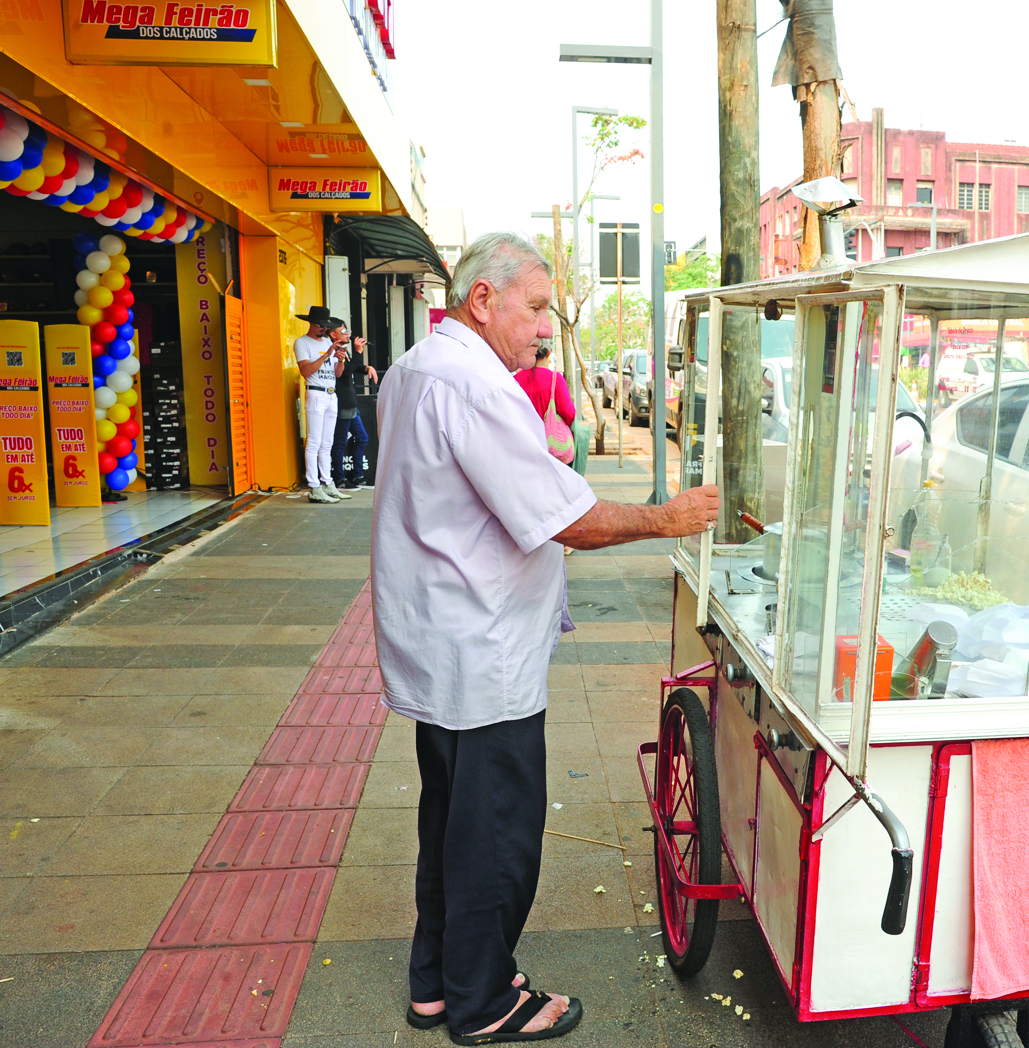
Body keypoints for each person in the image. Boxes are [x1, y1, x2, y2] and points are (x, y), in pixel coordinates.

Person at [371, 231, 718, 1046]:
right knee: (494, 837)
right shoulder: (473, 386)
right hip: (480, 654)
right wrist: (666, 519)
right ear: (482, 299)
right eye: (533, 309)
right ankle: (485, 1001)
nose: (540, 328)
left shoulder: (417, 369)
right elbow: (562, 517)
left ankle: (437, 983)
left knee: (451, 825)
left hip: (441, 641)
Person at [294, 304, 345, 504]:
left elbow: (338, 374)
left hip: (331, 394)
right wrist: (327, 354)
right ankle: (314, 486)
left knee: (327, 442)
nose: (324, 329)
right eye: (320, 325)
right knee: (314, 442)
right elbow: (305, 371)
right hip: (315, 394)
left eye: (326, 326)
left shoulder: (327, 342)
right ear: (311, 324)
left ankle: (327, 483)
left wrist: (340, 360)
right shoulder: (302, 342)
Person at [330, 321, 376, 489]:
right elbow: (344, 372)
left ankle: (357, 475)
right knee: (340, 442)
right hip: (342, 402)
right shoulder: (333, 352)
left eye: (348, 329)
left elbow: (353, 367)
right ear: (333, 335)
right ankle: (340, 479)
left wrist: (366, 368)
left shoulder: (344, 351)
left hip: (350, 402)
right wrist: (358, 352)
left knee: (362, 437)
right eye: (343, 330)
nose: (348, 333)